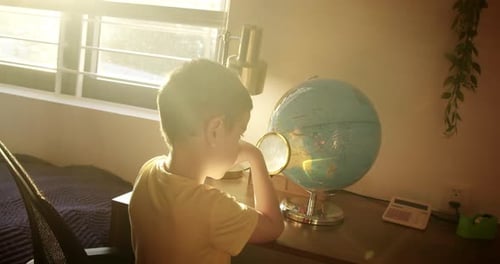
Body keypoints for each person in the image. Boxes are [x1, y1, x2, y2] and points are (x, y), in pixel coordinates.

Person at [128, 59, 284, 264]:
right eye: (239, 134)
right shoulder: (212, 207)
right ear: (215, 130)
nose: (240, 143)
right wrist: (255, 157)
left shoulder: (148, 172)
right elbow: (273, 226)